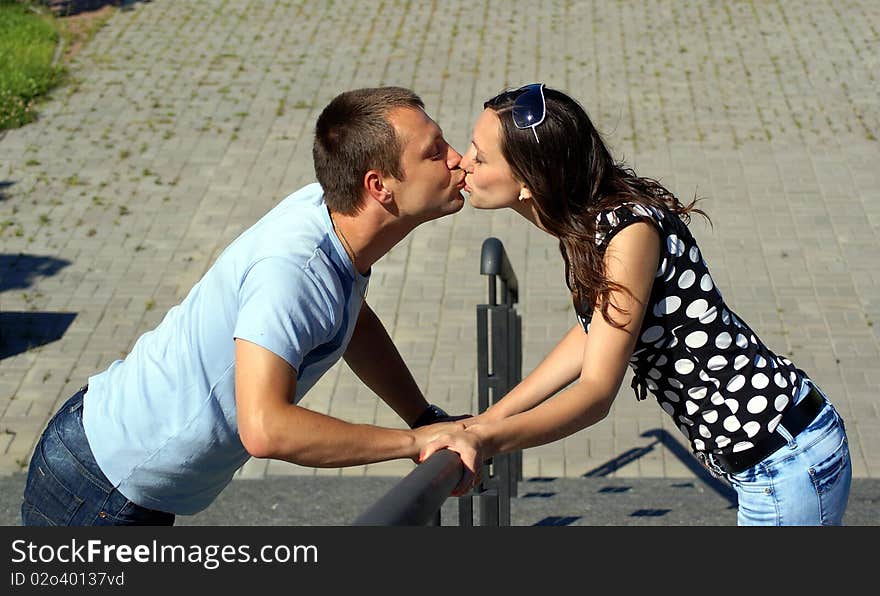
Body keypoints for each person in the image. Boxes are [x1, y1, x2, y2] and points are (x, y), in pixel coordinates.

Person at [21, 86, 469, 526]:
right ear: (379, 186)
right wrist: (412, 442)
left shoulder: (332, 223)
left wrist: (422, 414)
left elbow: (349, 319)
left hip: (117, 479)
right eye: (434, 152)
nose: (457, 158)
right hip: (94, 489)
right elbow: (266, 427)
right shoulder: (292, 271)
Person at [422, 83, 852, 526]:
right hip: (774, 456)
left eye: (481, 155)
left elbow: (594, 394)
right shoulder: (589, 225)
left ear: (530, 182)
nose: (463, 162)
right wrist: (487, 419)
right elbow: (597, 331)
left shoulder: (627, 232)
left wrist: (487, 440)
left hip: (784, 460)